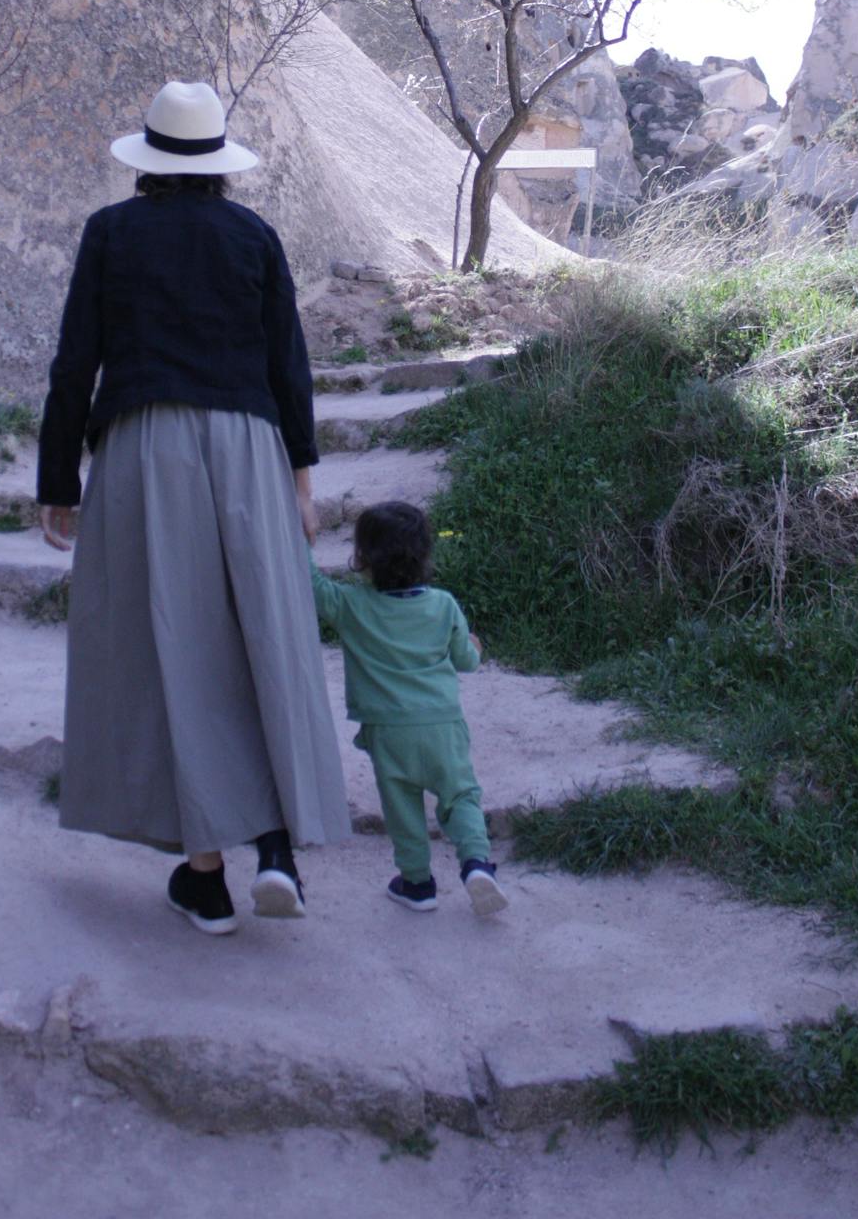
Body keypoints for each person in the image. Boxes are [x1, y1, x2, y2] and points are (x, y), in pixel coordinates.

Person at [36, 80, 351, 936]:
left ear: (147, 161)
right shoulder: (255, 236)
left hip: (143, 447)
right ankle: (275, 844)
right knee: (263, 637)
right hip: (250, 448)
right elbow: (289, 362)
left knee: (169, 647)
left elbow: (76, 361)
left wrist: (57, 481)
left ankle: (206, 876)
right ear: (218, 162)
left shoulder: (111, 234)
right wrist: (300, 481)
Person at [310, 499, 508, 917]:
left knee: (401, 807)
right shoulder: (443, 605)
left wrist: (298, 536)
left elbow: (312, 584)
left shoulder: (351, 605)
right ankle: (476, 864)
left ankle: (417, 884)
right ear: (425, 555)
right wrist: (475, 647)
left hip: (387, 731)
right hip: (443, 724)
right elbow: (465, 661)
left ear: (362, 557)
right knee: (460, 796)